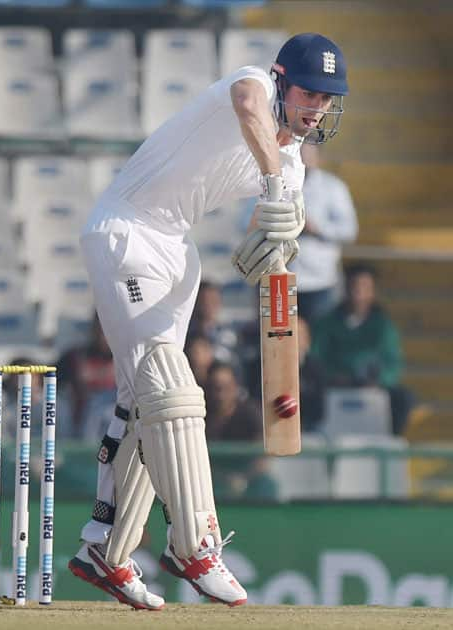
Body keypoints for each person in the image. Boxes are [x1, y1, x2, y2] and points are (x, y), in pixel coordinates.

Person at [68, 32, 349, 609]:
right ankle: (194, 545)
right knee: (171, 387)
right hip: (127, 230)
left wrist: (276, 245)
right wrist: (272, 182)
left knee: (146, 401)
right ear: (280, 80)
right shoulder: (248, 84)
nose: (315, 108)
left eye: (326, 99)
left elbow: (273, 241)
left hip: (178, 251)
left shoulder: (294, 163)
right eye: (307, 93)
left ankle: (106, 549)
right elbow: (250, 110)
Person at [311, 263, 413, 434]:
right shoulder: (326, 323)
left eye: (364, 287)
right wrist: (332, 376)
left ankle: (389, 441)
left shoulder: (383, 326)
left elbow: (393, 363)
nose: (358, 292)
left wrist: (379, 380)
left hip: (373, 385)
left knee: (404, 398)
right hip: (333, 384)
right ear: (345, 288)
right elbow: (316, 358)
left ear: (373, 291)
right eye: (353, 286)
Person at [289, 143, 358, 325]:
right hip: (281, 279)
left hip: (320, 281)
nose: (304, 161)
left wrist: (317, 228)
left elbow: (349, 230)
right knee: (279, 342)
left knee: (320, 341)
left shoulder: (333, 188)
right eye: (300, 156)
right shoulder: (275, 183)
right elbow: (246, 222)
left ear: (319, 158)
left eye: (308, 156)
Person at [204, 361, 262, 442]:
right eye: (215, 388)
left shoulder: (251, 415)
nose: (221, 395)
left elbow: (261, 450)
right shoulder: (201, 416)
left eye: (226, 387)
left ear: (235, 386)